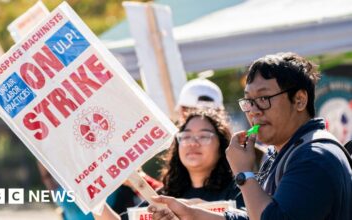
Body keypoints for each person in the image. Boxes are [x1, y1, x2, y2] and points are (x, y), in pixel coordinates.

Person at [148, 52, 352, 220]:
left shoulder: (313, 156)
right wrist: (190, 214)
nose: (253, 111)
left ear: (299, 100)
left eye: (264, 98)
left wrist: (244, 173)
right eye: (248, 101)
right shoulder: (282, 152)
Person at [94, 109, 244, 219]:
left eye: (204, 136)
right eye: (185, 137)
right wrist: (95, 198)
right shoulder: (162, 196)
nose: (192, 143)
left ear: (222, 144)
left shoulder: (240, 190)